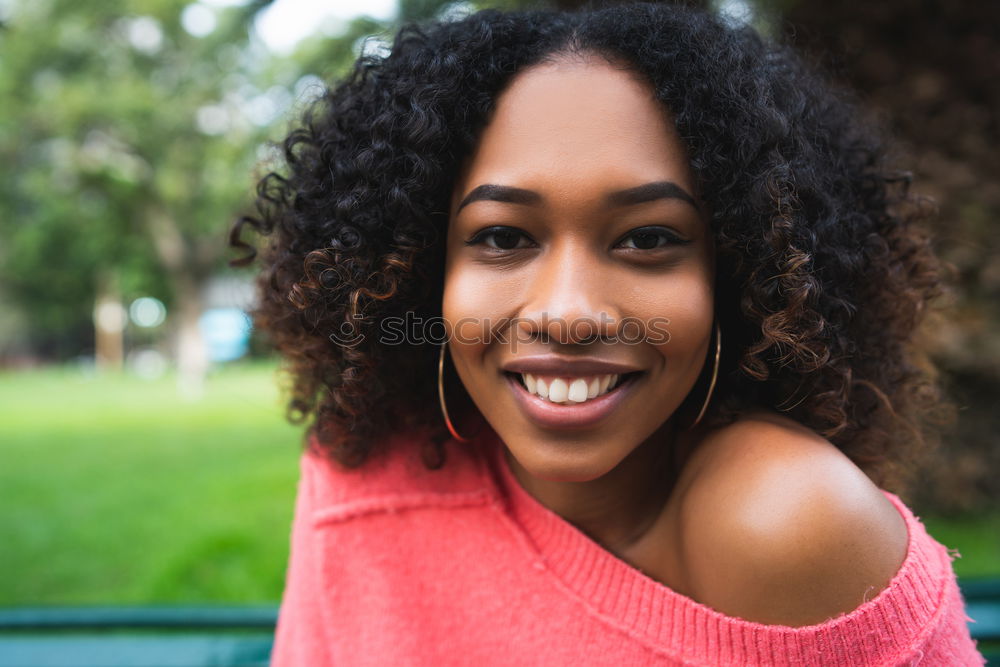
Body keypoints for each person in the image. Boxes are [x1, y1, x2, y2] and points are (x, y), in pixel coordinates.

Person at [229, 3, 985, 664]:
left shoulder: (785, 519)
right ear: (424, 269)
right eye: (501, 238)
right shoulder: (362, 468)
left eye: (648, 238)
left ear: (742, 275)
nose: (568, 311)